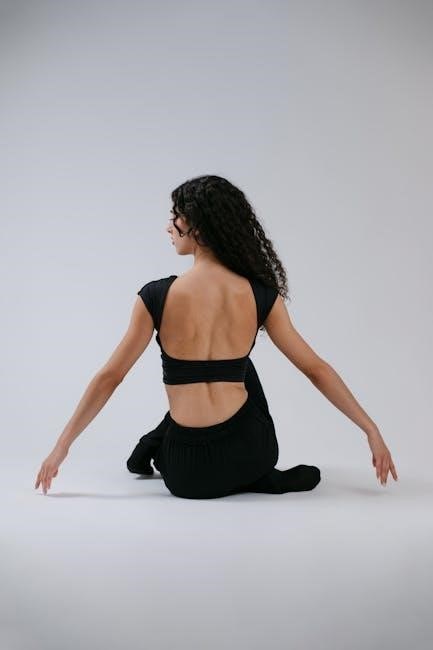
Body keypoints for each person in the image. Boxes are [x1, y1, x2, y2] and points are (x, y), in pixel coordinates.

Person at [35, 175, 398, 498]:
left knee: (198, 374)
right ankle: (254, 476)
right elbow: (315, 369)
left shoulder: (155, 297)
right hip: (250, 457)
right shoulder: (261, 296)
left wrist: (61, 448)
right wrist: (370, 429)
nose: (168, 227)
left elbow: (110, 377)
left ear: (198, 227)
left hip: (185, 476)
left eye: (176, 217)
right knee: (241, 366)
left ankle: (153, 444)